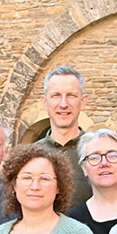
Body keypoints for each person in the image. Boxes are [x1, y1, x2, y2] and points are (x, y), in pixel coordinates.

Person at [38, 64, 92, 204]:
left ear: (83, 101)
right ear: (45, 102)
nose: (63, 104)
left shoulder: (98, 153)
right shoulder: (33, 155)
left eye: (71, 95)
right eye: (56, 95)